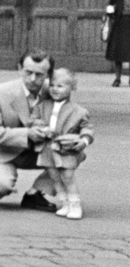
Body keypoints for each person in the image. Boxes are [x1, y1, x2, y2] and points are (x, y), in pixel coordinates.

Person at [0, 51, 61, 212]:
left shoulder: (55, 92)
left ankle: (36, 193)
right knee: (2, 186)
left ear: (49, 74)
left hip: (34, 151)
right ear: (19, 68)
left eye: (39, 74)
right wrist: (27, 134)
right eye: (28, 72)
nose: (32, 79)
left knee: (71, 153)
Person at [34, 68, 91, 220]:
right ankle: (64, 203)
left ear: (72, 88)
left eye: (60, 86)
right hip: (47, 147)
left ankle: (75, 204)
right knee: (54, 177)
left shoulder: (79, 111)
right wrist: (41, 128)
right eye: (52, 85)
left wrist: (83, 140)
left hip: (66, 149)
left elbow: (87, 128)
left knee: (67, 176)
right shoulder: (42, 106)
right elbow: (34, 120)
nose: (54, 89)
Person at [103, 0, 130, 86]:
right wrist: (111, 17)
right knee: (118, 53)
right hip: (119, 25)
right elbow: (109, 7)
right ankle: (117, 79)